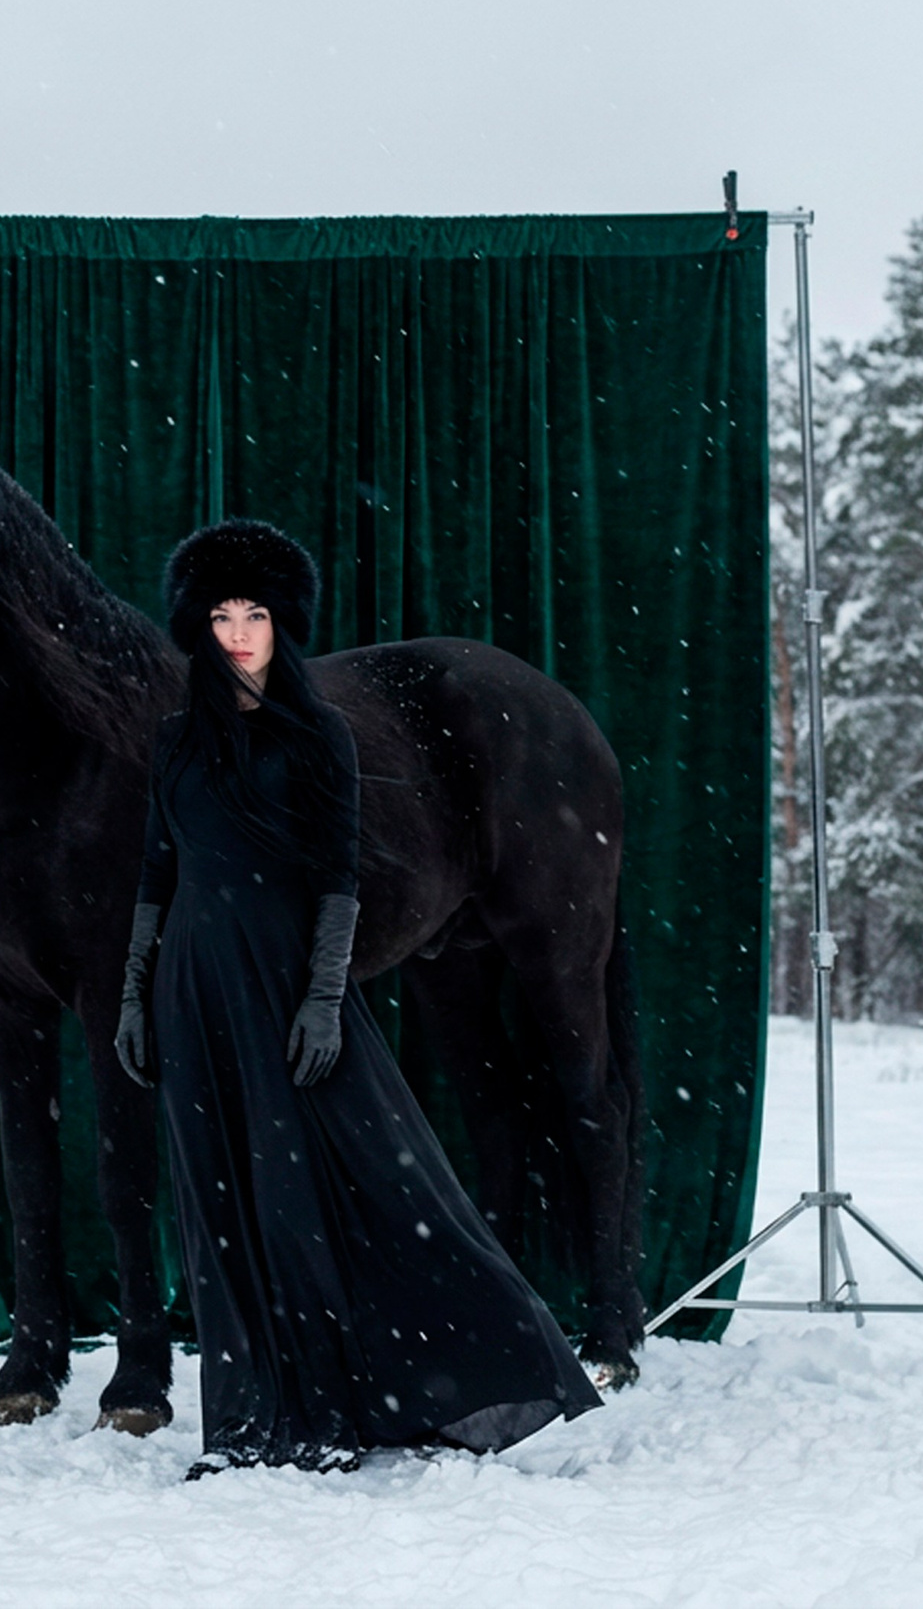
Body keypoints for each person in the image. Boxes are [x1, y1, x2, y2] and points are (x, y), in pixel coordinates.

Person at [114, 518, 602, 1478]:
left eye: (256, 614)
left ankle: (344, 1407)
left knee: (335, 1189)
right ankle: (245, 1426)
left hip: (286, 979)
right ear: (198, 626)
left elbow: (338, 879)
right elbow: (156, 876)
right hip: (192, 986)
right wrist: (134, 994)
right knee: (217, 1208)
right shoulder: (174, 742)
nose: (239, 633)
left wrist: (323, 998)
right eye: (221, 615)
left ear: (282, 623)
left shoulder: (319, 736)